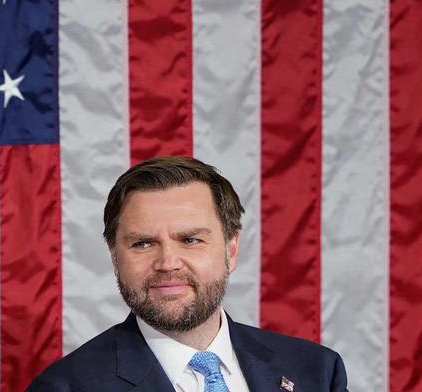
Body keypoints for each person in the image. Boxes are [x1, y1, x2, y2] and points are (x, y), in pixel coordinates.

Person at [27, 156, 347, 392]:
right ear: (114, 256)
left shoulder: (317, 372)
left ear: (230, 250)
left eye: (190, 240)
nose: (168, 262)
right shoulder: (64, 387)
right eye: (142, 243)